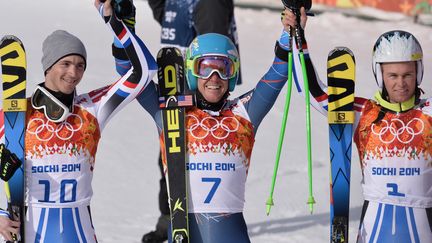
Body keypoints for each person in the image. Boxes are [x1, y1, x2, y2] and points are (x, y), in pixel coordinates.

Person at [125, 6, 303, 242]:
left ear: (232, 74)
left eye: (224, 68)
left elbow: (279, 73)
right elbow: (131, 74)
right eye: (205, 68)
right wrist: (122, 26)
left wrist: (288, 33)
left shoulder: (244, 113)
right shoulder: (171, 112)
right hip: (183, 230)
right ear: (191, 72)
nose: (214, 78)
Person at [0, 0, 156, 241]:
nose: (73, 73)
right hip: (32, 233)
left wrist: (115, 25)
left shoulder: (92, 108)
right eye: (65, 63)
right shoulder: (15, 116)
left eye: (80, 65)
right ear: (48, 66)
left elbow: (144, 72)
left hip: (80, 232)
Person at [286, 8, 432, 243]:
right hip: (373, 230)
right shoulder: (364, 113)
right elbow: (314, 94)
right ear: (379, 74)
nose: (401, 83)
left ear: (419, 73)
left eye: (408, 75)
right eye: (392, 75)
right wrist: (297, 34)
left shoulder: (429, 114)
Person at [135, 1, 241, 242]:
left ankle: (198, 221)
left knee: (190, 155)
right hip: (175, 82)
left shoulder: (210, 5)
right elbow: (163, 14)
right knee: (169, 154)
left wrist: (200, 93)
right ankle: (170, 217)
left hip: (200, 86)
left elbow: (214, 48)